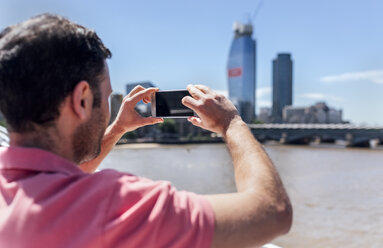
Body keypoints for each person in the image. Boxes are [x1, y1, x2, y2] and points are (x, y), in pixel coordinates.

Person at [0, 14, 292, 248]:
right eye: (107, 98)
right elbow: (272, 212)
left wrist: (117, 130)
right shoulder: (115, 206)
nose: (107, 111)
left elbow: (59, 179)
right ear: (82, 99)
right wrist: (232, 123)